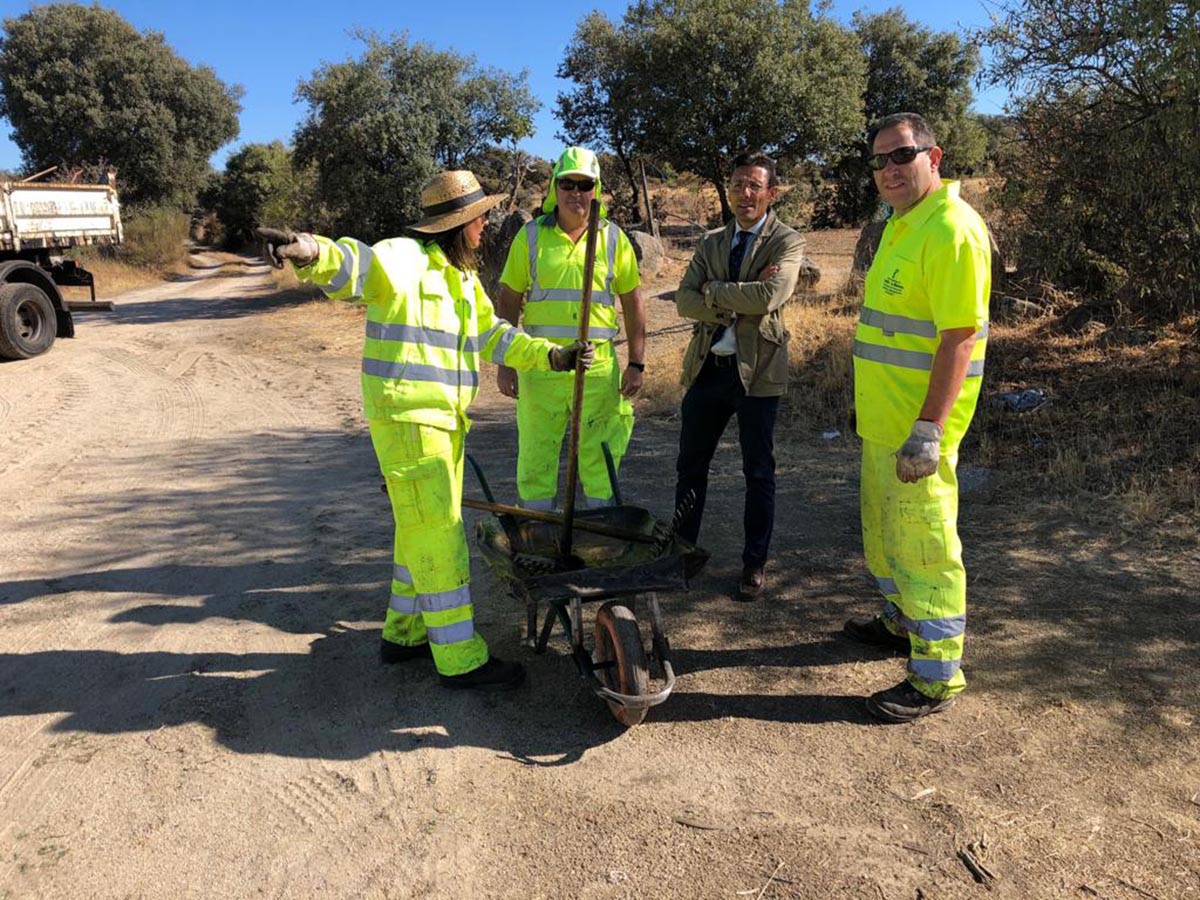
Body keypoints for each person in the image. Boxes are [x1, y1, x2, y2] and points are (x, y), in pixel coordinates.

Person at [256, 171, 593, 692]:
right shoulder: (405, 258)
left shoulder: (459, 278)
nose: (486, 224)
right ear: (458, 223)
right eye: (480, 217)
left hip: (442, 422)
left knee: (416, 529)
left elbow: (494, 335)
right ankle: (460, 658)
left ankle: (404, 633)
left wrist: (553, 355)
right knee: (440, 535)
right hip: (411, 421)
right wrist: (307, 249)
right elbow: (356, 265)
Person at [842, 112, 991, 723]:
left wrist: (929, 429)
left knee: (925, 546)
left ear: (935, 157)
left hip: (916, 432)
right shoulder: (904, 224)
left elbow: (960, 337)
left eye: (901, 155)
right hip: (883, 425)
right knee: (885, 539)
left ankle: (936, 674)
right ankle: (902, 623)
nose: (888, 170)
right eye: (878, 160)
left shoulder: (952, 228)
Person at [673, 151, 806, 600]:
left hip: (757, 373)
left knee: (758, 472)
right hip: (708, 369)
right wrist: (730, 298)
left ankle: (754, 564)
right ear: (728, 191)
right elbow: (683, 300)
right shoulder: (711, 241)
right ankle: (682, 553)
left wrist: (713, 291)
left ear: (771, 193)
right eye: (737, 185)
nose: (745, 194)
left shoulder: (787, 241)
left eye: (754, 186)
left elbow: (771, 295)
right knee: (691, 467)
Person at [494, 146, 646, 511]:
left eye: (585, 184)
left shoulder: (612, 239)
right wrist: (505, 361)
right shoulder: (530, 237)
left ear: (596, 190)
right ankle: (537, 534)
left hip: (596, 372)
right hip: (540, 368)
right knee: (536, 455)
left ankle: (599, 537)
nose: (576, 193)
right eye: (567, 183)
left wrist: (636, 363)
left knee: (597, 457)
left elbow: (633, 302)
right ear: (554, 187)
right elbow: (509, 298)